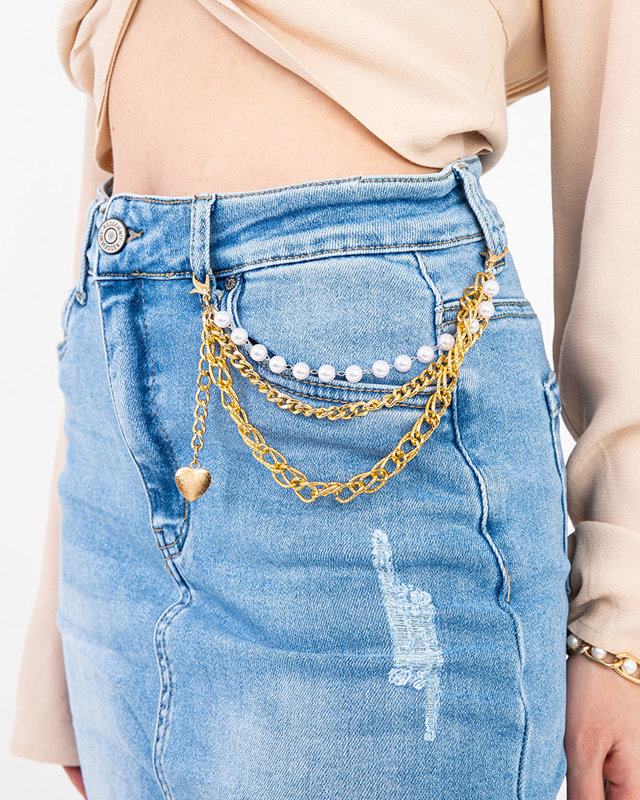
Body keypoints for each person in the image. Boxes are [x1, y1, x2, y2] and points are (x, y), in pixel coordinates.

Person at [10, 0, 640, 797]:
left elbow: (625, 93)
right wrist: (54, 618)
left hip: (370, 378)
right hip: (120, 357)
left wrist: (623, 619)